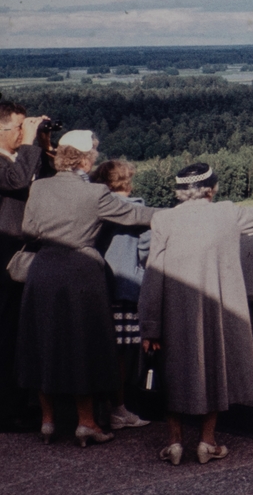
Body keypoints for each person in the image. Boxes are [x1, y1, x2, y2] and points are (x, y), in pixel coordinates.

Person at [16, 130, 156, 447]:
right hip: (81, 274)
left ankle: (48, 421)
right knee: (84, 346)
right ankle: (86, 423)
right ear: (86, 159)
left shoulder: (39, 187)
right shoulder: (95, 193)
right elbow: (137, 215)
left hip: (43, 270)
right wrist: (184, 214)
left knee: (42, 343)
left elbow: (28, 230)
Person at [139, 162, 253, 465]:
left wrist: (150, 327)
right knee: (216, 370)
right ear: (211, 189)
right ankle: (207, 442)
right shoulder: (227, 213)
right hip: (218, 311)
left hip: (173, 311)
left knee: (170, 370)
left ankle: (175, 442)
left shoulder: (163, 219)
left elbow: (152, 276)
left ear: (180, 192)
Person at [0, 101, 51, 433]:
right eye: (20, 127)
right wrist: (30, 142)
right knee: (5, 335)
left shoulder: (19, 158)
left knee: (19, 334)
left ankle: (18, 404)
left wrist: (42, 145)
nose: (23, 132)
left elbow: (44, 181)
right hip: (4, 260)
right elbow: (17, 181)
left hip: (21, 259)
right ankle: (6, 411)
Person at [91, 159, 152, 430]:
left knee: (100, 351)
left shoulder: (95, 207)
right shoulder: (137, 209)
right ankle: (118, 409)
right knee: (121, 354)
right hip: (125, 290)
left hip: (97, 287)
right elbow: (146, 251)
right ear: (127, 180)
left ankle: (100, 407)